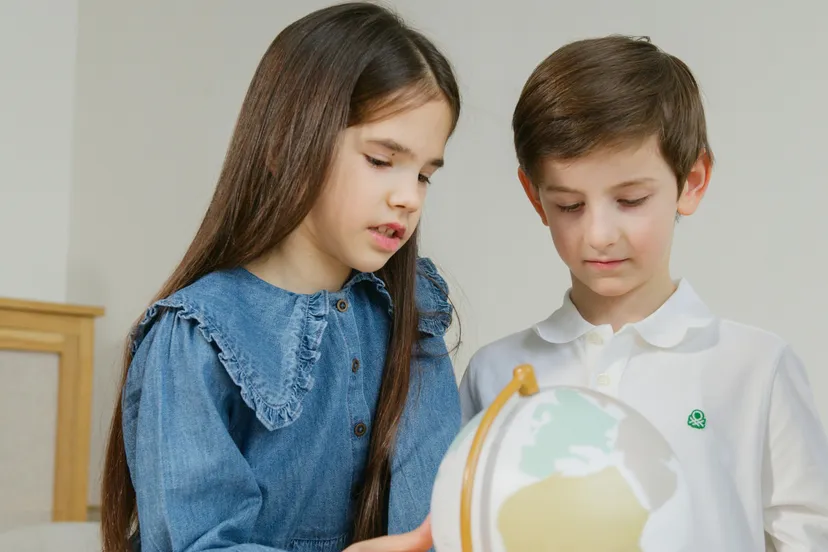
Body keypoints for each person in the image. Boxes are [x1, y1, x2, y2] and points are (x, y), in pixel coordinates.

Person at [100, 3, 463, 552]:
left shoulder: (413, 313)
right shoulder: (195, 336)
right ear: (283, 144)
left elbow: (431, 520)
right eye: (381, 159)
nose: (408, 196)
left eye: (424, 175)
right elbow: (197, 542)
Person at [459, 35, 828, 550]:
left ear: (692, 181)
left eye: (630, 200)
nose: (600, 234)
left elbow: (806, 536)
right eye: (569, 205)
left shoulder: (756, 367)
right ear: (535, 197)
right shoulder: (494, 374)